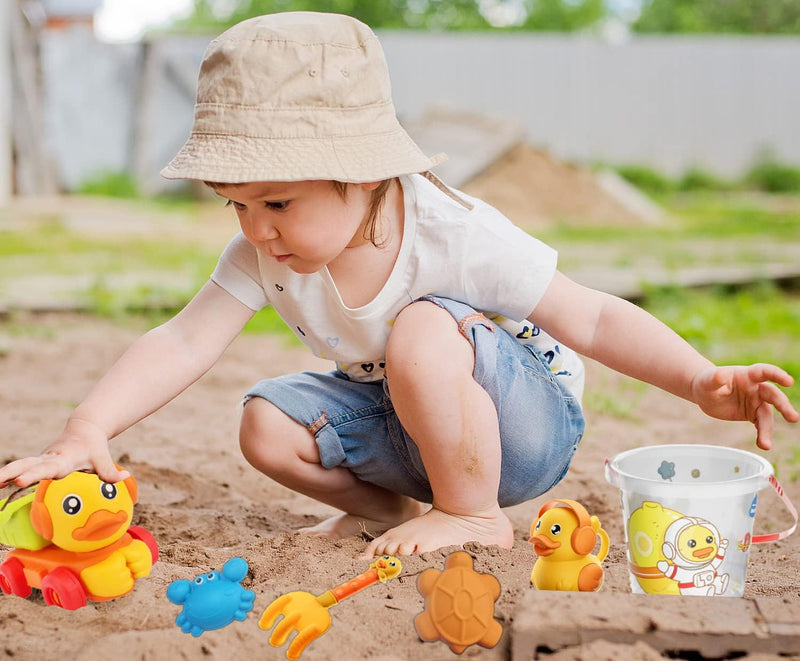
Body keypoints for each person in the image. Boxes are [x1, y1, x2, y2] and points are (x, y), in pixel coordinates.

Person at [1, 12, 796, 559]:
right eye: (237, 205)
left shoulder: (451, 231)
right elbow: (182, 339)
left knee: (421, 328)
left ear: (366, 174)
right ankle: (389, 508)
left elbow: (587, 314)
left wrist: (699, 377)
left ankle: (474, 516)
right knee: (263, 422)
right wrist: (86, 425)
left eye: (278, 203)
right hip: (406, 428)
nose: (256, 230)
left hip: (520, 427)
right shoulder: (264, 252)